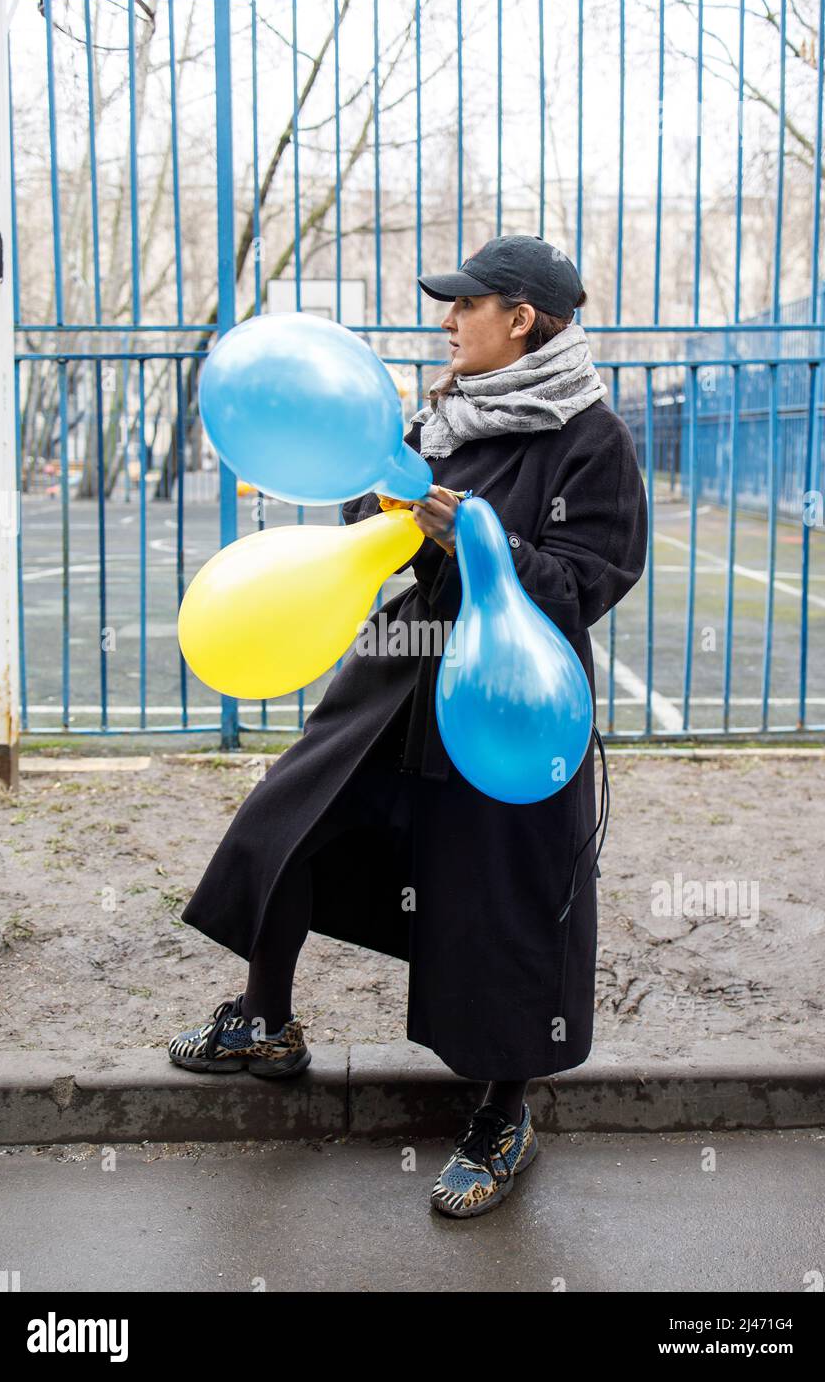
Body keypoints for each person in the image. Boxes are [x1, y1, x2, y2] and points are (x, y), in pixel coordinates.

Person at [168, 234, 649, 1219]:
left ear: (521, 317)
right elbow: (368, 519)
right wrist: (385, 498)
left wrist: (480, 536)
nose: (446, 319)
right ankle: (266, 1022)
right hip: (398, 670)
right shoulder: (442, 410)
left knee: (501, 895)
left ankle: (502, 1110)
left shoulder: (590, 436)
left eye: (464, 304)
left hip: (505, 690)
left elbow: (591, 578)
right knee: (290, 821)